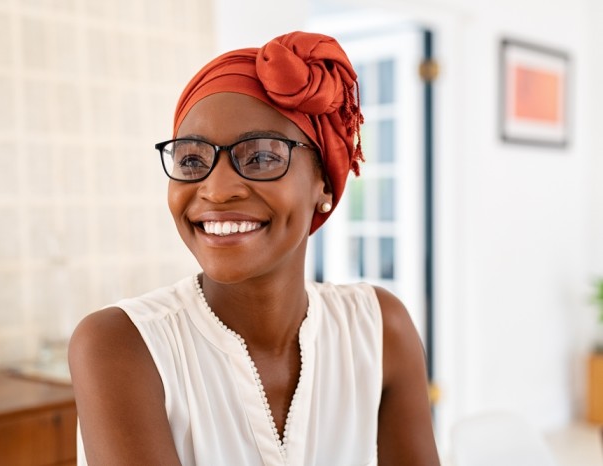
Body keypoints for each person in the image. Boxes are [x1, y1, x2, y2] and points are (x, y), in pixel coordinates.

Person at [69, 31, 440, 466]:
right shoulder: (120, 345)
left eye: (262, 157)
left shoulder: (378, 329)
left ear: (323, 180)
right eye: (191, 160)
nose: (217, 189)